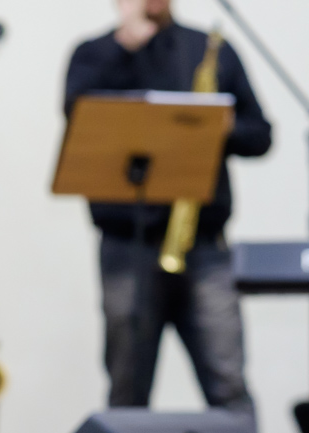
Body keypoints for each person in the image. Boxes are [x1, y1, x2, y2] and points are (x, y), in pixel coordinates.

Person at [65, 0, 271, 412]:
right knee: (127, 388)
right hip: (127, 248)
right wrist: (124, 49)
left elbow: (260, 135)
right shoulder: (95, 54)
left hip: (205, 245)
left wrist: (221, 124)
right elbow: (78, 115)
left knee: (229, 383)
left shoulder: (209, 49)